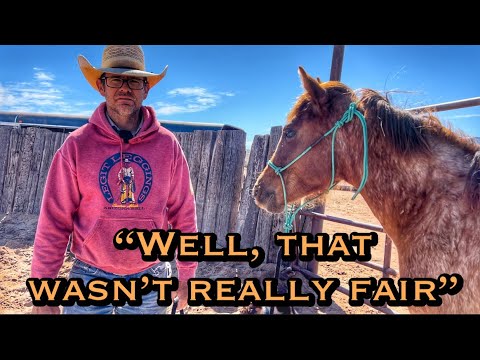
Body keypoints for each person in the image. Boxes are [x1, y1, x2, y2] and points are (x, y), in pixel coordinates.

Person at [30, 45, 198, 314]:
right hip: (89, 276)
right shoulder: (76, 146)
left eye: (133, 79)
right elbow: (54, 220)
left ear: (146, 88)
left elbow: (183, 213)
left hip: (152, 277)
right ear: (101, 86)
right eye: (116, 78)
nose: (125, 88)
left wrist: (187, 274)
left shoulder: (168, 145)